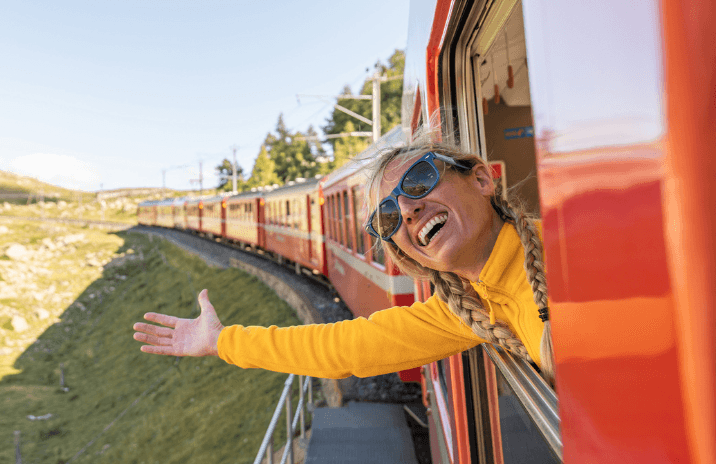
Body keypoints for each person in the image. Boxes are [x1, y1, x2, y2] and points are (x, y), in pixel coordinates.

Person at [133, 131, 555, 384]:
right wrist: (222, 341)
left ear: (481, 178)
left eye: (420, 179)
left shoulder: (569, 247)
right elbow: (341, 348)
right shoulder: (464, 310)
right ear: (408, 254)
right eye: (388, 217)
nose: (408, 210)